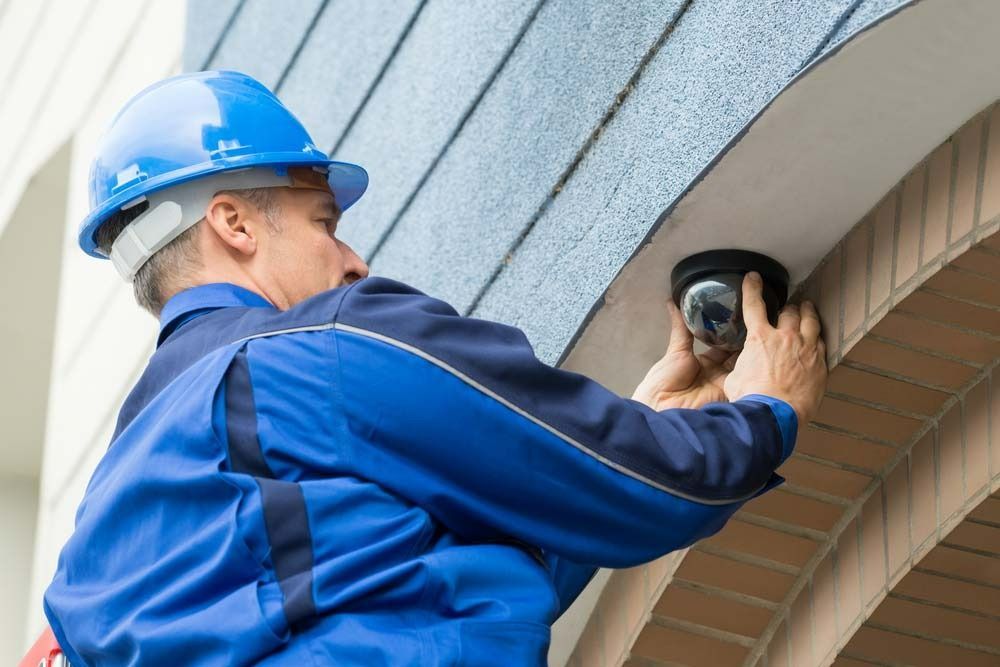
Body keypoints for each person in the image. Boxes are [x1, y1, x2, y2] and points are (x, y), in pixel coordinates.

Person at [43, 70, 827, 666]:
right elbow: (642, 484)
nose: (352, 261)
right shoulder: (325, 353)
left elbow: (406, 591)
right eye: (325, 223)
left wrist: (646, 420)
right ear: (235, 224)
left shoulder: (89, 552)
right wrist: (758, 415)